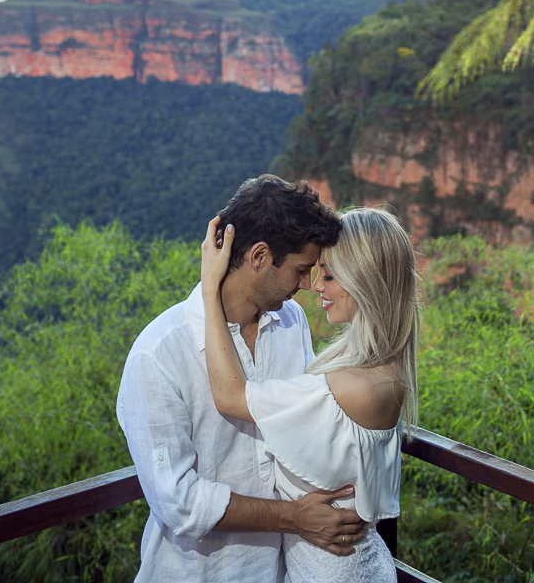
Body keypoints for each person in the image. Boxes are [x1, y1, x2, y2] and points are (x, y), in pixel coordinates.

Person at [117, 175, 366, 583]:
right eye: (301, 270)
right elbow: (177, 499)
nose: (307, 285)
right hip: (196, 572)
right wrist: (294, 519)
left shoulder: (291, 322)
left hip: (279, 572)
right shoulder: (159, 353)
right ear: (259, 256)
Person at [200, 205, 420, 583]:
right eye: (316, 270)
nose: (316, 285)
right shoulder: (385, 370)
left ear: (366, 282)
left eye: (329, 275)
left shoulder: (349, 388)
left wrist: (209, 289)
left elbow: (231, 397)